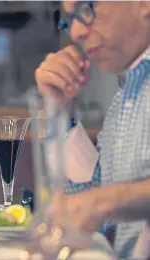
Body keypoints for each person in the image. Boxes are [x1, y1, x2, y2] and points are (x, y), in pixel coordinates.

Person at [35, 1, 150, 258]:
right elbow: (92, 215)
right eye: (72, 18)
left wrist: (103, 203)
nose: (75, 32)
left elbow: (100, 204)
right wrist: (59, 109)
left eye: (87, 8)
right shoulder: (127, 94)